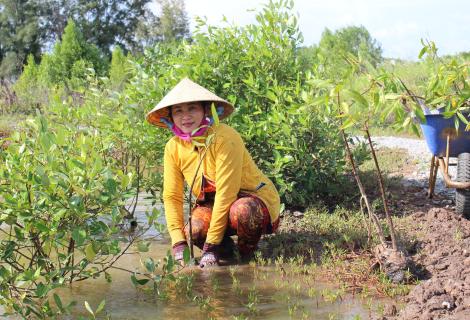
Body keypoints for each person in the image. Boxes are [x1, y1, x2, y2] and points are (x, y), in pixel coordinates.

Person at [146, 78, 280, 268]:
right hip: (212, 203)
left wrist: (210, 247)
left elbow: (227, 194)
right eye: (178, 111)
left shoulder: (224, 137)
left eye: (192, 108)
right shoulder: (173, 148)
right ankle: (228, 253)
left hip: (250, 198)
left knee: (243, 212)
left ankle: (246, 256)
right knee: (194, 230)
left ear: (206, 111)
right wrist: (178, 243)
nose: (185, 116)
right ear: (171, 117)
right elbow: (172, 196)